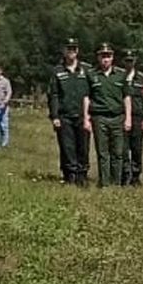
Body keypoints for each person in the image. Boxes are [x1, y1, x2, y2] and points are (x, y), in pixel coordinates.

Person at [47, 39, 94, 183]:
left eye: (74, 48)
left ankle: (82, 174)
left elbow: (93, 92)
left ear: (77, 51)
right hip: (64, 115)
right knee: (67, 146)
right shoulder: (57, 71)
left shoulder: (87, 69)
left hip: (83, 115)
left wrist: (91, 114)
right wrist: (55, 116)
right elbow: (53, 95)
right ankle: (70, 174)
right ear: (64, 51)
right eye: (68, 48)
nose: (71, 51)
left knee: (83, 146)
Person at [85, 42, 131, 188]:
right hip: (99, 117)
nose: (105, 59)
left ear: (112, 58)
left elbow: (127, 97)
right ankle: (104, 182)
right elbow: (86, 97)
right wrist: (86, 118)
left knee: (118, 152)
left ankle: (116, 183)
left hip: (117, 117)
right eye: (103, 56)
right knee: (103, 152)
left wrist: (128, 118)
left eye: (108, 56)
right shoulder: (91, 75)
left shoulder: (121, 75)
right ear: (98, 58)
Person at [119, 52, 143, 185]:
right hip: (122, 116)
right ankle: (124, 174)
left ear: (135, 62)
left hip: (138, 116)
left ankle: (136, 176)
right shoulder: (119, 77)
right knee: (123, 148)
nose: (129, 63)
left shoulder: (142, 79)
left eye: (131, 61)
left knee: (136, 148)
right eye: (127, 60)